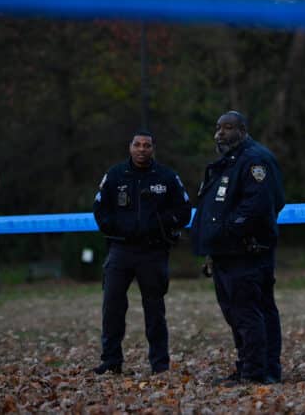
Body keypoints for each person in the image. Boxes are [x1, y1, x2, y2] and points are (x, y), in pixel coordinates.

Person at [190, 110, 285, 385]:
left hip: (247, 251)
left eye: (228, 128)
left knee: (248, 311)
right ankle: (254, 366)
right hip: (227, 252)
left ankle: (256, 371)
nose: (220, 133)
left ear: (242, 130)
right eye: (218, 128)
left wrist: (229, 231)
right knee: (241, 311)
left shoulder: (255, 160)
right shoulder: (228, 162)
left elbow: (259, 205)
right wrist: (213, 246)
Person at [91, 130, 191, 375]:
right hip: (120, 250)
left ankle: (160, 365)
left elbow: (184, 210)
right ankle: (111, 361)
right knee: (112, 306)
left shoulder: (167, 177)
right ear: (130, 147)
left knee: (155, 310)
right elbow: (99, 209)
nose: (142, 149)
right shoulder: (115, 175)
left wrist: (160, 224)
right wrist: (119, 228)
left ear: (153, 148)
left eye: (147, 145)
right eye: (137, 145)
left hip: (153, 251)